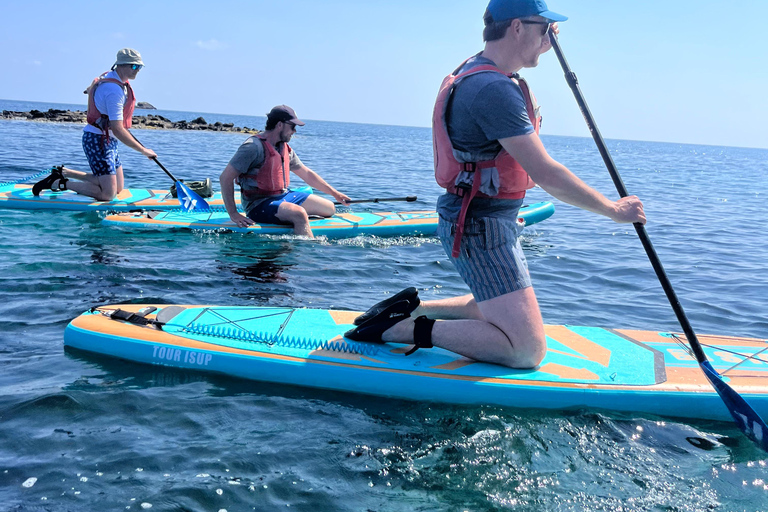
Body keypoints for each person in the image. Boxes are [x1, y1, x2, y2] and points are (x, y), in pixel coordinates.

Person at [346, 0, 646, 369]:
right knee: (526, 350)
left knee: (499, 303)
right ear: (517, 27)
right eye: (544, 29)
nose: (550, 40)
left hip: (487, 220)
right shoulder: (491, 89)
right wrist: (613, 210)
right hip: (478, 225)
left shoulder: (482, 73)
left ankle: (409, 308)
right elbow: (547, 174)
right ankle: (402, 329)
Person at [33, 48, 157, 200]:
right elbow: (118, 129)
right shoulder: (114, 90)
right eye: (134, 66)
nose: (137, 70)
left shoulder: (114, 79)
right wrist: (143, 151)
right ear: (120, 65)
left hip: (108, 140)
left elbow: (95, 86)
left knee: (118, 187)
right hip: (97, 141)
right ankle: (58, 182)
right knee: (108, 194)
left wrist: (91, 90)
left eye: (139, 67)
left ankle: (65, 172)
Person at [219, 105, 350, 237]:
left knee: (329, 208)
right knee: (299, 214)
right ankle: (308, 251)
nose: (294, 131)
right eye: (292, 126)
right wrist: (234, 214)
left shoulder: (284, 148)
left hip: (283, 196)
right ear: (280, 125)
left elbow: (307, 174)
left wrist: (335, 193)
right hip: (258, 204)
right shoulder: (252, 147)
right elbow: (225, 178)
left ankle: (289, 217)